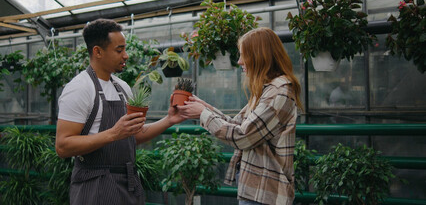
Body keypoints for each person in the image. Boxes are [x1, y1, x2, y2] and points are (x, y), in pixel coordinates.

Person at [55, 18, 184, 205]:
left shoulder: (122, 87)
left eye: (124, 49)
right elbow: (63, 146)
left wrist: (169, 119)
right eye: (119, 50)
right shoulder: (80, 88)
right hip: (94, 186)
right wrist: (114, 133)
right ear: (97, 51)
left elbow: (133, 135)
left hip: (127, 184)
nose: (126, 55)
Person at [178, 27, 303, 205]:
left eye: (244, 55)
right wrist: (204, 107)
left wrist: (203, 114)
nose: (239, 61)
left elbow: (243, 137)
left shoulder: (279, 93)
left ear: (260, 57)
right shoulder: (266, 90)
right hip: (256, 190)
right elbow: (238, 124)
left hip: (266, 193)